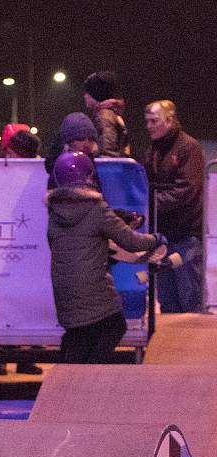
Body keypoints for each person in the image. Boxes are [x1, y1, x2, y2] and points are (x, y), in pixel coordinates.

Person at [47, 151, 166, 363]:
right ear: (88, 177)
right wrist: (155, 239)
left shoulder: (54, 212)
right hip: (93, 289)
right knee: (115, 325)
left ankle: (67, 380)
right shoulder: (96, 208)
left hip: (64, 291)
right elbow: (130, 241)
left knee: (78, 334)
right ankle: (90, 373)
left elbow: (68, 245)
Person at [0, 123, 44, 376]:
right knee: (6, 301)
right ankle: (1, 358)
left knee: (25, 300)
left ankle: (23, 359)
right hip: (6, 245)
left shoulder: (35, 172)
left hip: (26, 243)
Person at [143, 100, 205, 313]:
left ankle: (196, 347)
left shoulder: (188, 147)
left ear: (169, 121)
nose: (149, 126)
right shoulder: (154, 149)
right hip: (163, 238)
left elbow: (186, 190)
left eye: (154, 121)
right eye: (147, 121)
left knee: (190, 300)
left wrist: (151, 204)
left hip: (186, 236)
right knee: (168, 302)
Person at [44, 112, 100, 189]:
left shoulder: (95, 169)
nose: (86, 144)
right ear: (67, 141)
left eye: (91, 139)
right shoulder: (58, 172)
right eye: (80, 139)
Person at [83, 71, 130, 158]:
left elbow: (107, 153)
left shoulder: (104, 117)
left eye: (87, 92)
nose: (85, 96)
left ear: (96, 94)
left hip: (107, 170)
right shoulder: (111, 114)